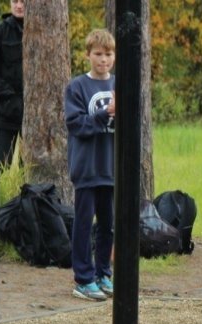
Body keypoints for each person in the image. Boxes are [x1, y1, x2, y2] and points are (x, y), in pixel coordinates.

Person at [65, 29, 116, 301]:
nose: (103, 60)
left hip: (110, 168)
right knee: (84, 224)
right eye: (98, 54)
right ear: (88, 55)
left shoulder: (119, 84)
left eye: (108, 54)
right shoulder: (77, 87)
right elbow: (76, 124)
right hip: (86, 167)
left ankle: (103, 273)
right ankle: (83, 278)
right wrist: (104, 113)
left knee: (108, 224)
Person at [0, 0, 25, 166]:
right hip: (6, 111)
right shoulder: (0, 31)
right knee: (0, 165)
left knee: (29, 168)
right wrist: (9, 98)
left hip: (34, 113)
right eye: (15, 1)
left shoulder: (41, 31)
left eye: (24, 1)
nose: (19, 5)